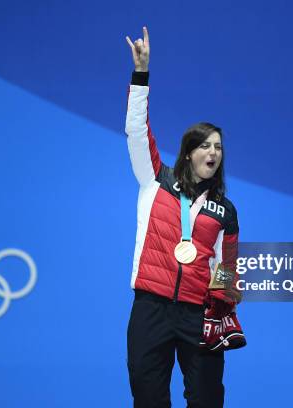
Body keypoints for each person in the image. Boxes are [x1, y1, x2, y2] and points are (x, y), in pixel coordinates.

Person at [124, 27, 242, 408]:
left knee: (208, 400)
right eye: (206, 145)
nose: (214, 152)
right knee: (148, 398)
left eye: (219, 147)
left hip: (198, 314)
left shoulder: (225, 210)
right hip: (151, 308)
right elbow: (136, 132)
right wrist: (141, 76)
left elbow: (226, 264)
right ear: (189, 152)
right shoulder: (156, 179)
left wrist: (223, 296)